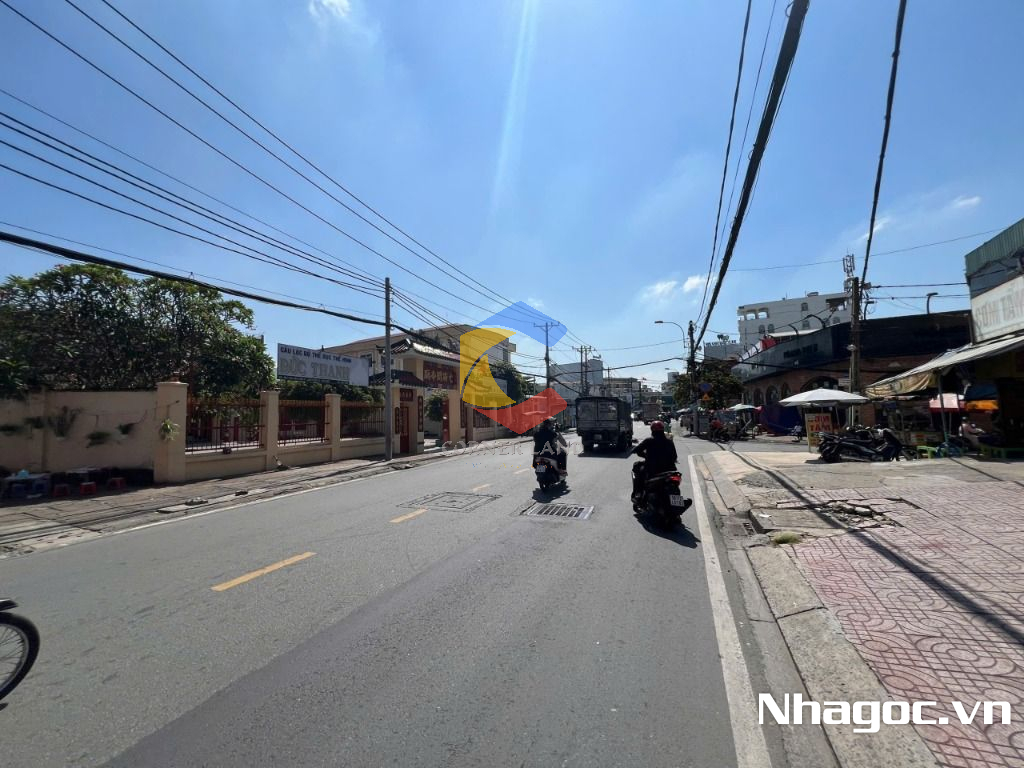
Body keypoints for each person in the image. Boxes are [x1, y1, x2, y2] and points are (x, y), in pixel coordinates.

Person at [629, 420, 678, 500]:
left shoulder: (649, 440)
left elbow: (636, 450)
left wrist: (645, 455)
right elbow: (675, 457)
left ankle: (638, 493)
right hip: (670, 469)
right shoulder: (669, 442)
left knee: (637, 467)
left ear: (652, 430)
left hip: (653, 469)